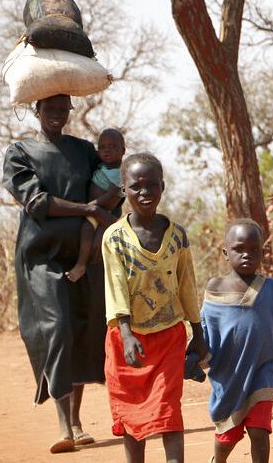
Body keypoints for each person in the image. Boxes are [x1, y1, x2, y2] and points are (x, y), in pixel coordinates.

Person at [2, 94, 114, 453]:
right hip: (40, 256)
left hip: (83, 254)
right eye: (48, 109)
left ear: (70, 111)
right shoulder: (20, 154)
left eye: (62, 109)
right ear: (37, 111)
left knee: (83, 327)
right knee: (58, 326)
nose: (55, 114)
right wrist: (86, 208)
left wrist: (106, 217)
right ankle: (64, 424)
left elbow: (107, 187)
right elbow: (36, 202)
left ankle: (78, 422)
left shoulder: (84, 151)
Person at [100, 152, 210, 463]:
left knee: (168, 411)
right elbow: (115, 286)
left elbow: (186, 285)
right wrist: (126, 332)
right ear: (124, 190)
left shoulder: (176, 236)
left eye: (152, 185)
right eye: (136, 186)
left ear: (163, 187)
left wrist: (197, 332)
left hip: (168, 339)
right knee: (133, 419)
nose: (145, 193)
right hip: (128, 342)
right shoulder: (114, 239)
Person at [203, 220, 273, 463]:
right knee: (227, 436)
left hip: (263, 373)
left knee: (259, 431)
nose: (247, 255)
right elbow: (205, 332)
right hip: (229, 376)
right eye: (240, 249)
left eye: (255, 250)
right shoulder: (215, 288)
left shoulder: (271, 289)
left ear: (263, 252)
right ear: (225, 252)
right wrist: (195, 362)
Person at [66, 128, 126, 283]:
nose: (107, 151)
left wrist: (91, 206)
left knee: (87, 229)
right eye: (102, 147)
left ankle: (80, 264)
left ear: (123, 150)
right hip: (94, 209)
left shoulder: (120, 173)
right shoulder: (102, 166)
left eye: (112, 147)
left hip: (101, 211)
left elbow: (111, 196)